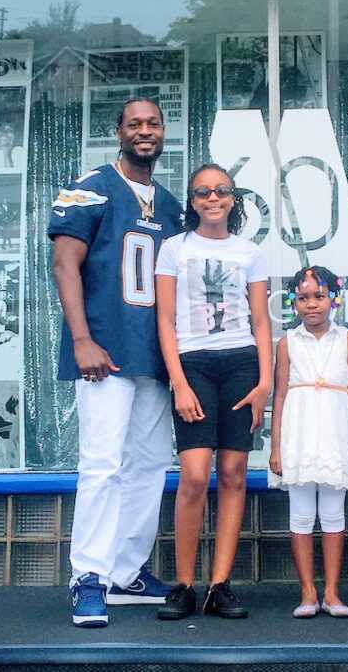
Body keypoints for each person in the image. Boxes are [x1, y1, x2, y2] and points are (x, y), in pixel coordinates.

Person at [49, 98, 183, 628]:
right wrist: (81, 338)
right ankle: (88, 576)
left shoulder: (171, 204)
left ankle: (126, 572)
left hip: (153, 358)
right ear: (119, 132)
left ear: (162, 131)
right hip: (103, 351)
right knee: (102, 465)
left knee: (149, 466)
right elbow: (64, 263)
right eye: (135, 124)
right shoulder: (88, 185)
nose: (144, 131)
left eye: (153, 123)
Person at [154, 164, 271, 621]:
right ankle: (184, 585)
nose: (213, 198)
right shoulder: (174, 249)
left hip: (240, 362)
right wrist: (178, 381)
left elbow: (261, 322)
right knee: (196, 476)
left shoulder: (249, 251)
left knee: (235, 472)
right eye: (203, 192)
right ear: (192, 200)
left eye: (221, 191)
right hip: (193, 364)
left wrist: (265, 382)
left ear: (233, 198)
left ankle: (219, 585)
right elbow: (164, 320)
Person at [268, 267, 348, 619]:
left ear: (334, 300)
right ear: (294, 303)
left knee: (332, 512)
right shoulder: (288, 342)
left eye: (319, 297)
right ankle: (308, 591)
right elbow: (279, 395)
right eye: (303, 298)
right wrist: (276, 447)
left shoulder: (347, 340)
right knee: (301, 513)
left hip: (335, 430)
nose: (312, 305)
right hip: (298, 430)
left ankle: (332, 592)